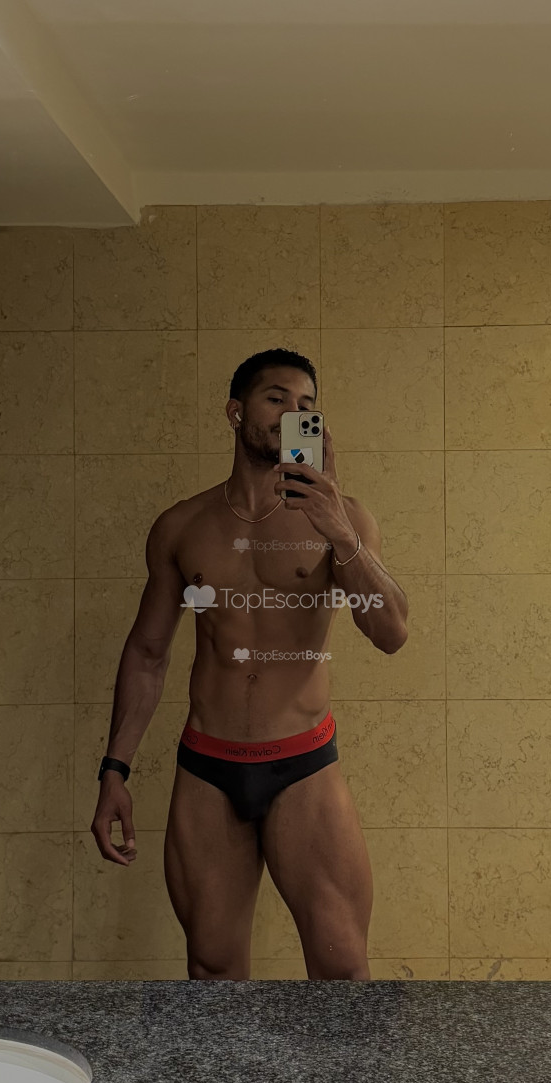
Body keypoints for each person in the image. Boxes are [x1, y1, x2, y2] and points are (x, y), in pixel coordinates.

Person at [90, 348, 409, 981]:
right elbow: (149, 653)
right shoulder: (183, 526)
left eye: (307, 405)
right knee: (212, 969)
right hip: (208, 768)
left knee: (342, 970)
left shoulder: (345, 520)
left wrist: (340, 533)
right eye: (277, 399)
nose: (294, 413)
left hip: (303, 764)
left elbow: (391, 632)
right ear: (236, 413)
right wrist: (114, 769)